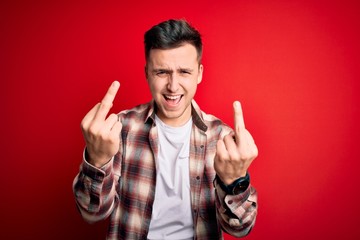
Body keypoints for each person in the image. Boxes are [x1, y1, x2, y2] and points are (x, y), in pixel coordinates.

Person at [73, 19, 258, 240]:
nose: (173, 85)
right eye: (162, 72)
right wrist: (97, 159)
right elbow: (92, 213)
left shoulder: (222, 138)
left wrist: (234, 181)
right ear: (147, 73)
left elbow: (241, 229)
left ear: (199, 73)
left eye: (184, 72)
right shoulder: (119, 129)